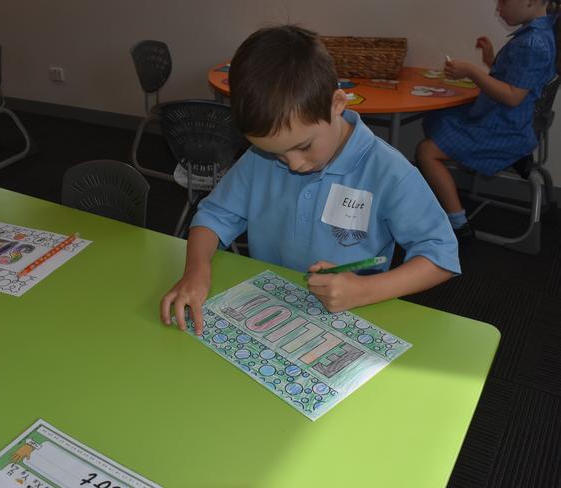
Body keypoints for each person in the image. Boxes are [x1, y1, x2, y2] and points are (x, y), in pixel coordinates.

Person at [160, 25, 459, 334]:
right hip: (271, 309)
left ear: (338, 105)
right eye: (275, 153)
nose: (294, 164)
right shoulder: (259, 159)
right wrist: (196, 271)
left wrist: (364, 290)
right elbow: (213, 215)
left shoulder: (389, 172)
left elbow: (441, 256)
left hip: (353, 317)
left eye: (303, 146)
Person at [417, 0, 558, 240]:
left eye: (503, 2)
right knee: (437, 118)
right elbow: (520, 80)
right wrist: (491, 60)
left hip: (505, 129)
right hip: (510, 122)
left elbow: (513, 96)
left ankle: (458, 223)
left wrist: (473, 72)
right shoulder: (540, 34)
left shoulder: (533, 43)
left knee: (426, 152)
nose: (498, 9)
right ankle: (517, 158)